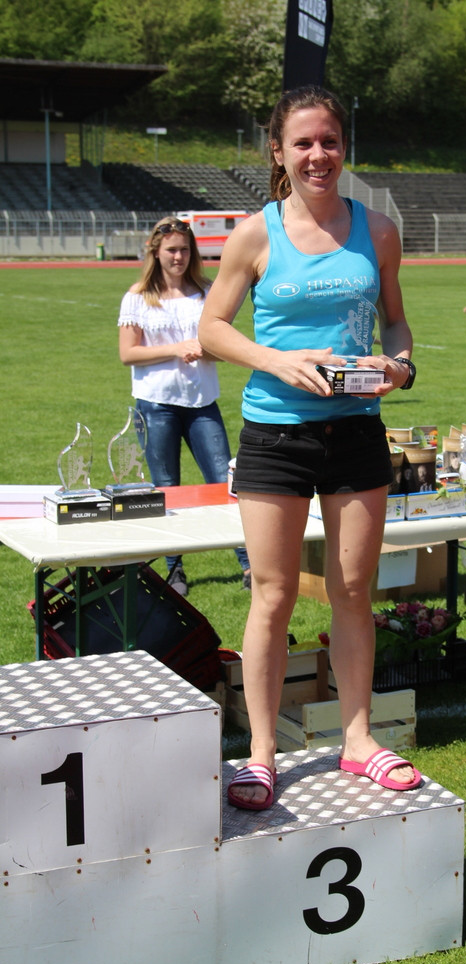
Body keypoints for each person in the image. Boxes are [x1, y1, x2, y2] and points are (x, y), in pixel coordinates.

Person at [198, 85, 422, 811]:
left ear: (343, 146)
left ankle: (358, 740)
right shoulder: (255, 234)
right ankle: (260, 754)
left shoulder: (379, 230)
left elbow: (396, 326)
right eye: (303, 143)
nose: (318, 154)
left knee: (355, 592)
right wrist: (276, 360)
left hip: (356, 429)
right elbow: (212, 328)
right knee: (273, 594)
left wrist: (401, 366)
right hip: (275, 434)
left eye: (328, 141)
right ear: (278, 152)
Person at [118, 216, 250, 595]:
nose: (178, 256)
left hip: (201, 403)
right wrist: (177, 348)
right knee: (166, 490)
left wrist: (206, 349)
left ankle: (248, 565)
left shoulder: (208, 293)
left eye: (184, 250)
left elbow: (226, 348)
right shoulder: (138, 297)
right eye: (171, 250)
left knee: (227, 484)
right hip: (155, 405)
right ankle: (174, 572)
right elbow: (128, 353)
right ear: (156, 252)